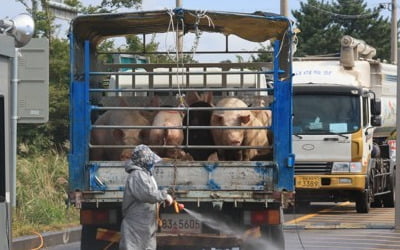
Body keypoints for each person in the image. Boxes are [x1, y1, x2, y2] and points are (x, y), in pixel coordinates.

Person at [119, 144, 173, 250]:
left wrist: (161, 200)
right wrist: (164, 196)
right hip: (136, 226)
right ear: (144, 161)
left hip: (145, 225)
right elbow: (148, 194)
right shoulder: (137, 175)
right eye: (150, 161)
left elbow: (149, 194)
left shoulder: (144, 174)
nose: (152, 164)